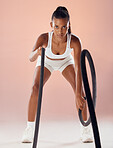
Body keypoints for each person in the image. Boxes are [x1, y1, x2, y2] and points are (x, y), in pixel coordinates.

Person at [21, 6, 93, 143]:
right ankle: (29, 129)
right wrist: (37, 53)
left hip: (65, 62)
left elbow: (78, 69)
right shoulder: (43, 38)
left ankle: (85, 129)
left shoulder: (74, 41)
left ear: (68, 25)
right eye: (57, 26)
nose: (60, 31)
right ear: (51, 25)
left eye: (64, 27)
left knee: (80, 90)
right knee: (35, 88)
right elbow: (30, 57)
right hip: (46, 62)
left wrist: (78, 94)